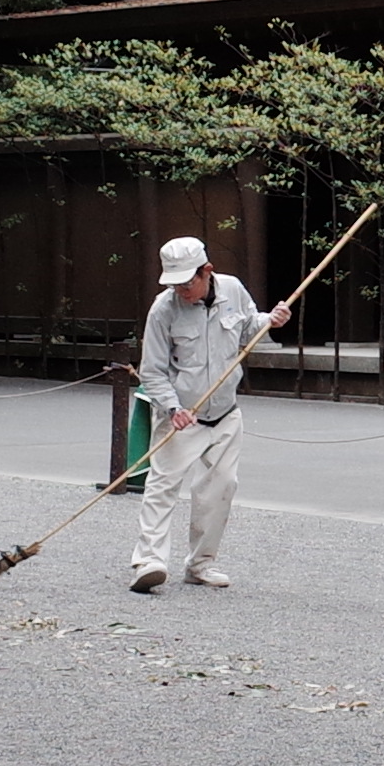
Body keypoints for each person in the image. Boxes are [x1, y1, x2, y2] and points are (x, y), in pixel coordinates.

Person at [128, 235, 288, 594]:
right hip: (182, 412)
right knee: (162, 485)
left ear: (207, 271)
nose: (181, 292)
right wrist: (173, 408)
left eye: (187, 284)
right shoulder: (163, 309)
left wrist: (271, 320)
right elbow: (152, 370)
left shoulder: (232, 288)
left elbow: (249, 326)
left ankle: (201, 563)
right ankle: (148, 560)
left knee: (220, 487)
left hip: (225, 411)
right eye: (175, 285)